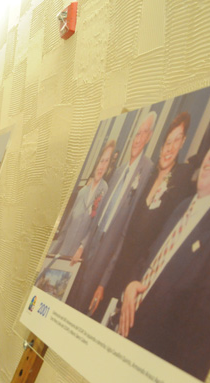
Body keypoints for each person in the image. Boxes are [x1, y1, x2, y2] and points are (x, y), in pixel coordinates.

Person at [117, 102, 210, 381]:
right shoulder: (183, 206)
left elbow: (201, 332)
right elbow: (146, 259)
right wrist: (129, 286)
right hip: (122, 341)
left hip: (151, 370)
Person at [65, 111, 158, 317]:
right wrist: (82, 245)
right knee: (71, 294)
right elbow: (98, 217)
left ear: (149, 136)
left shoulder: (147, 171)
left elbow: (125, 233)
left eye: (143, 134)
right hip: (92, 242)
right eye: (136, 133)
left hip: (108, 252)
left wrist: (104, 282)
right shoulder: (118, 172)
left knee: (82, 307)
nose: (138, 138)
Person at [102, 112, 195, 317]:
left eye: (176, 140)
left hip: (141, 276)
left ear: (183, 143)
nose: (170, 147)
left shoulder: (181, 179)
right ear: (161, 145)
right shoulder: (148, 176)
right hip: (118, 268)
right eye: (167, 141)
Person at [48, 140, 114, 261]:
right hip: (63, 251)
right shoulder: (82, 192)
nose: (102, 166)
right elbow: (67, 226)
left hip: (79, 256)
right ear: (96, 162)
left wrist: (82, 247)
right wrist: (53, 252)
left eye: (106, 162)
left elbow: (95, 226)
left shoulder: (104, 190)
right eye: (101, 161)